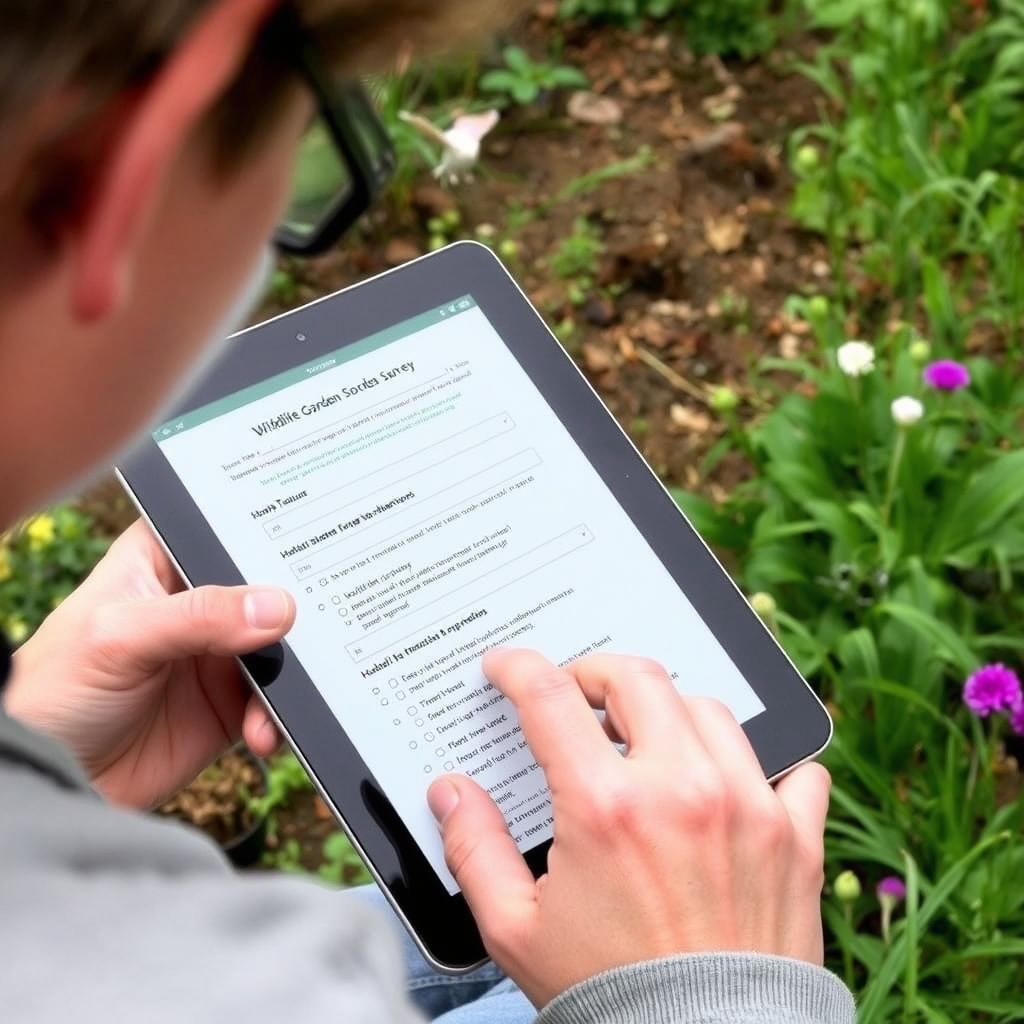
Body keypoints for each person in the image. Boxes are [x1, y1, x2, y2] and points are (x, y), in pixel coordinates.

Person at [0, 2, 856, 1021]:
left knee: (487, 937)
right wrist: (713, 984)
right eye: (322, 134)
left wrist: (34, 769)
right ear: (119, 172)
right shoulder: (262, 987)